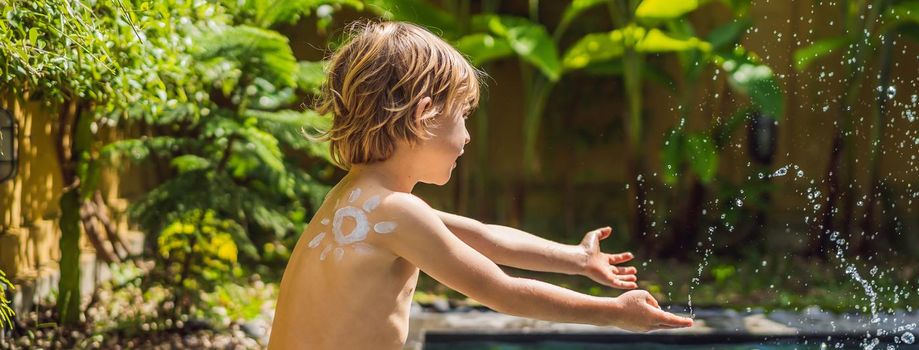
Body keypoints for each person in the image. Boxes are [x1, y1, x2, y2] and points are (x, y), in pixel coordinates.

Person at [268, 20, 694, 349]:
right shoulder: (397, 213)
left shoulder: (356, 199)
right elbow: (502, 291)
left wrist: (576, 259)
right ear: (424, 115)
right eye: (463, 117)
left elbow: (484, 237)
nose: (468, 137)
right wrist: (613, 313)